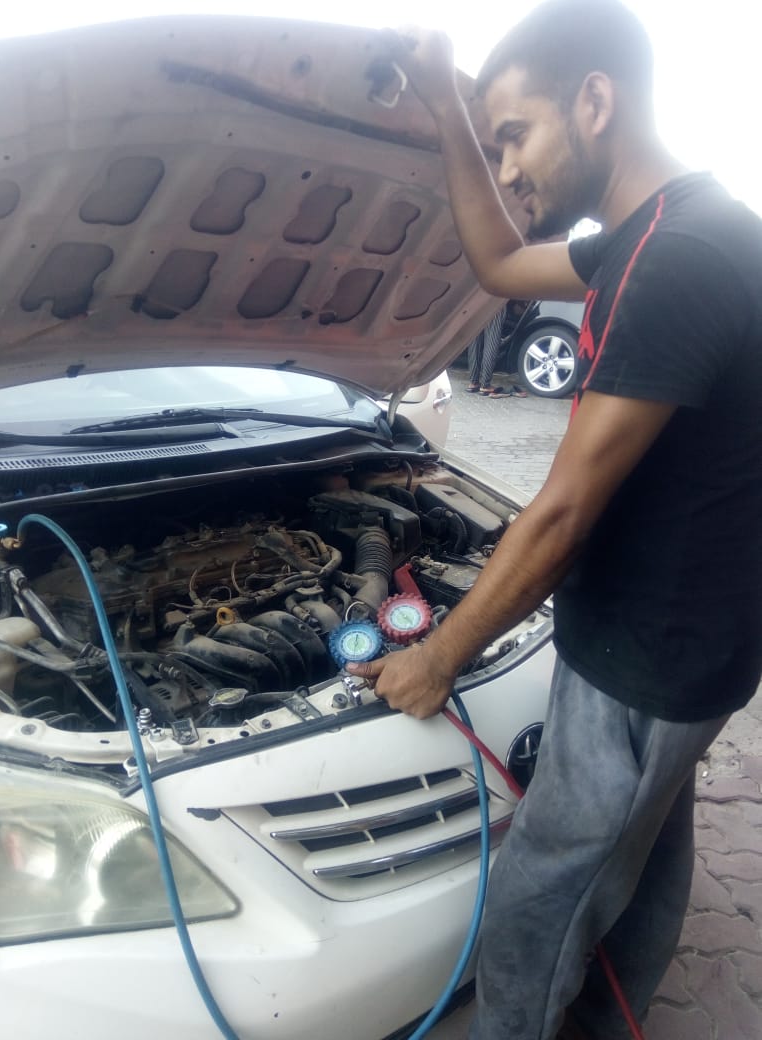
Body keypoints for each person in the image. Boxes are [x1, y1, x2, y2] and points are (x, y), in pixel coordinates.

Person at [348, 3, 762, 1039]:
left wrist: (438, 655)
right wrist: (450, 107)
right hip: (691, 638)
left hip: (648, 651)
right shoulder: (655, 235)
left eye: (515, 135)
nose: (509, 169)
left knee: (542, 891)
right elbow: (499, 263)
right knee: (643, 845)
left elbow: (564, 509)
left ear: (594, 101)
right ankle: (614, 1016)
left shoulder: (676, 258)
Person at [466, 300, 530, 396]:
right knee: (491, 341)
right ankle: (485, 385)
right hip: (494, 300)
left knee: (474, 341)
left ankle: (473, 382)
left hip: (475, 300)